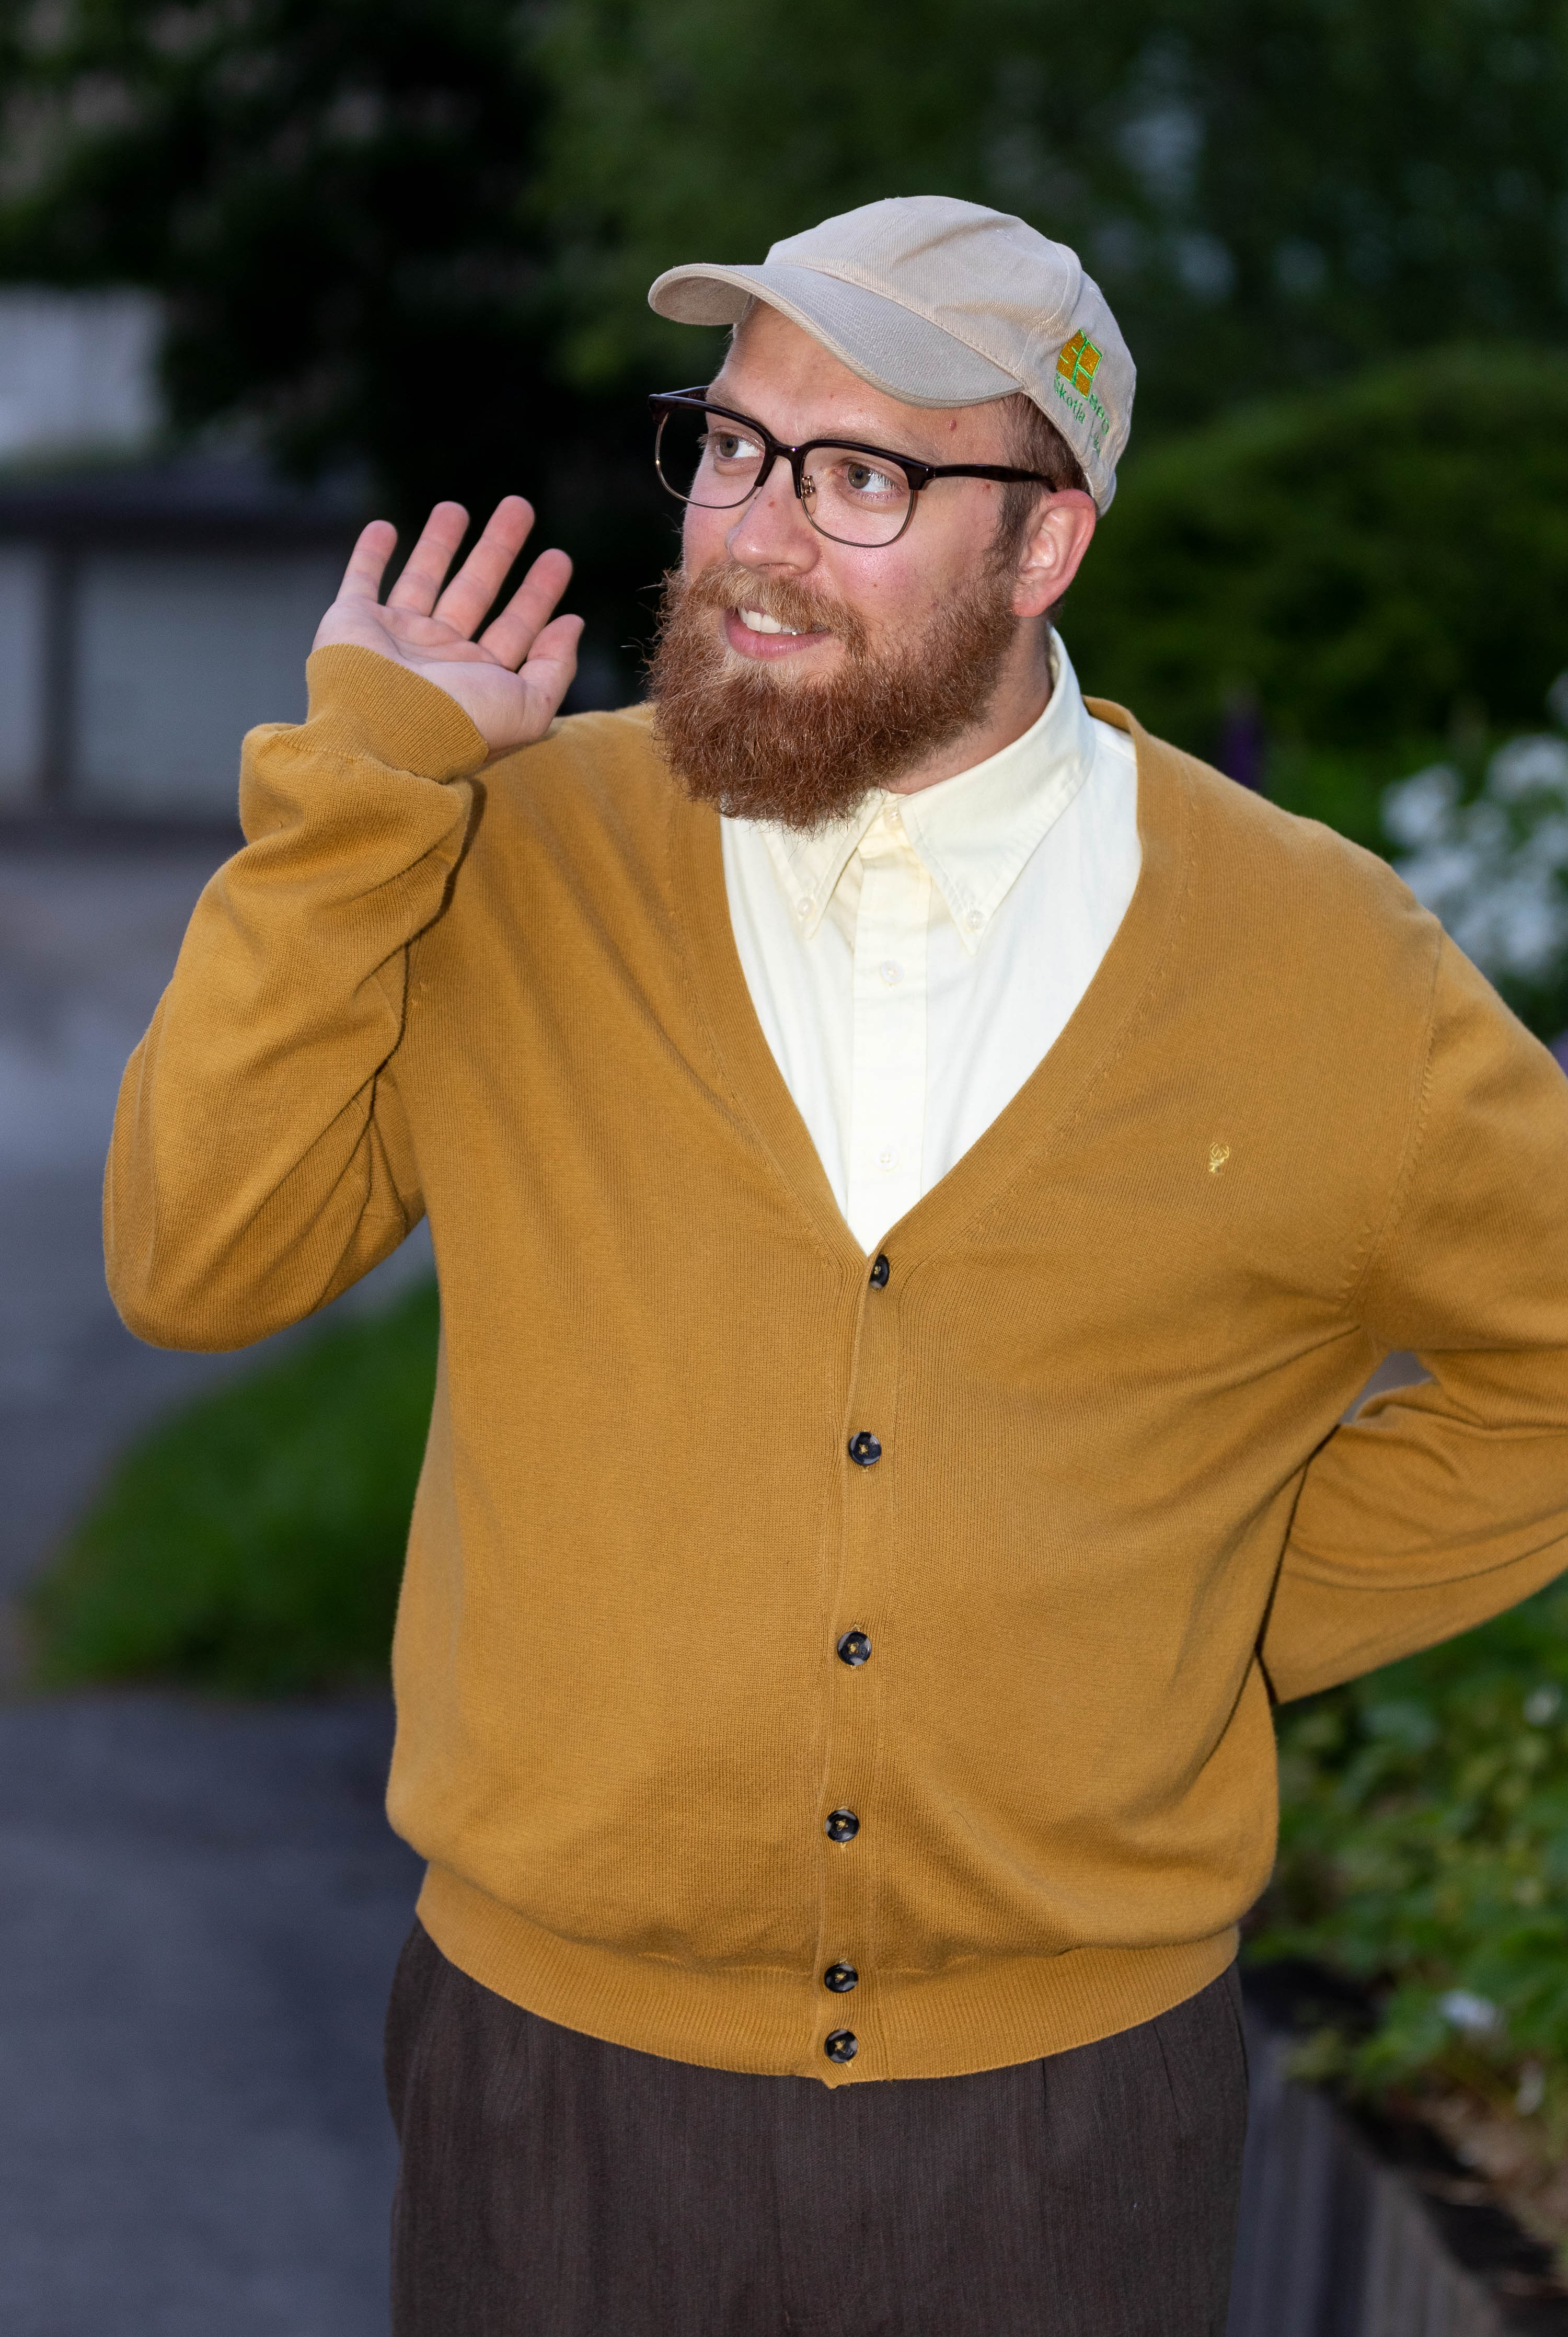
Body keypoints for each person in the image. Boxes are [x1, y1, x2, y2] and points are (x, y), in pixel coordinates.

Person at [106, 197, 1568, 2336]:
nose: (752, 535)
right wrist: (356, 798)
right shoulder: (509, 849)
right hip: (550, 2095)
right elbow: (196, 1257)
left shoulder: (1321, 964)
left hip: (1063, 2128)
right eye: (731, 445)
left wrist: (1211, 1613)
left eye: (861, 474)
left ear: (1043, 544)